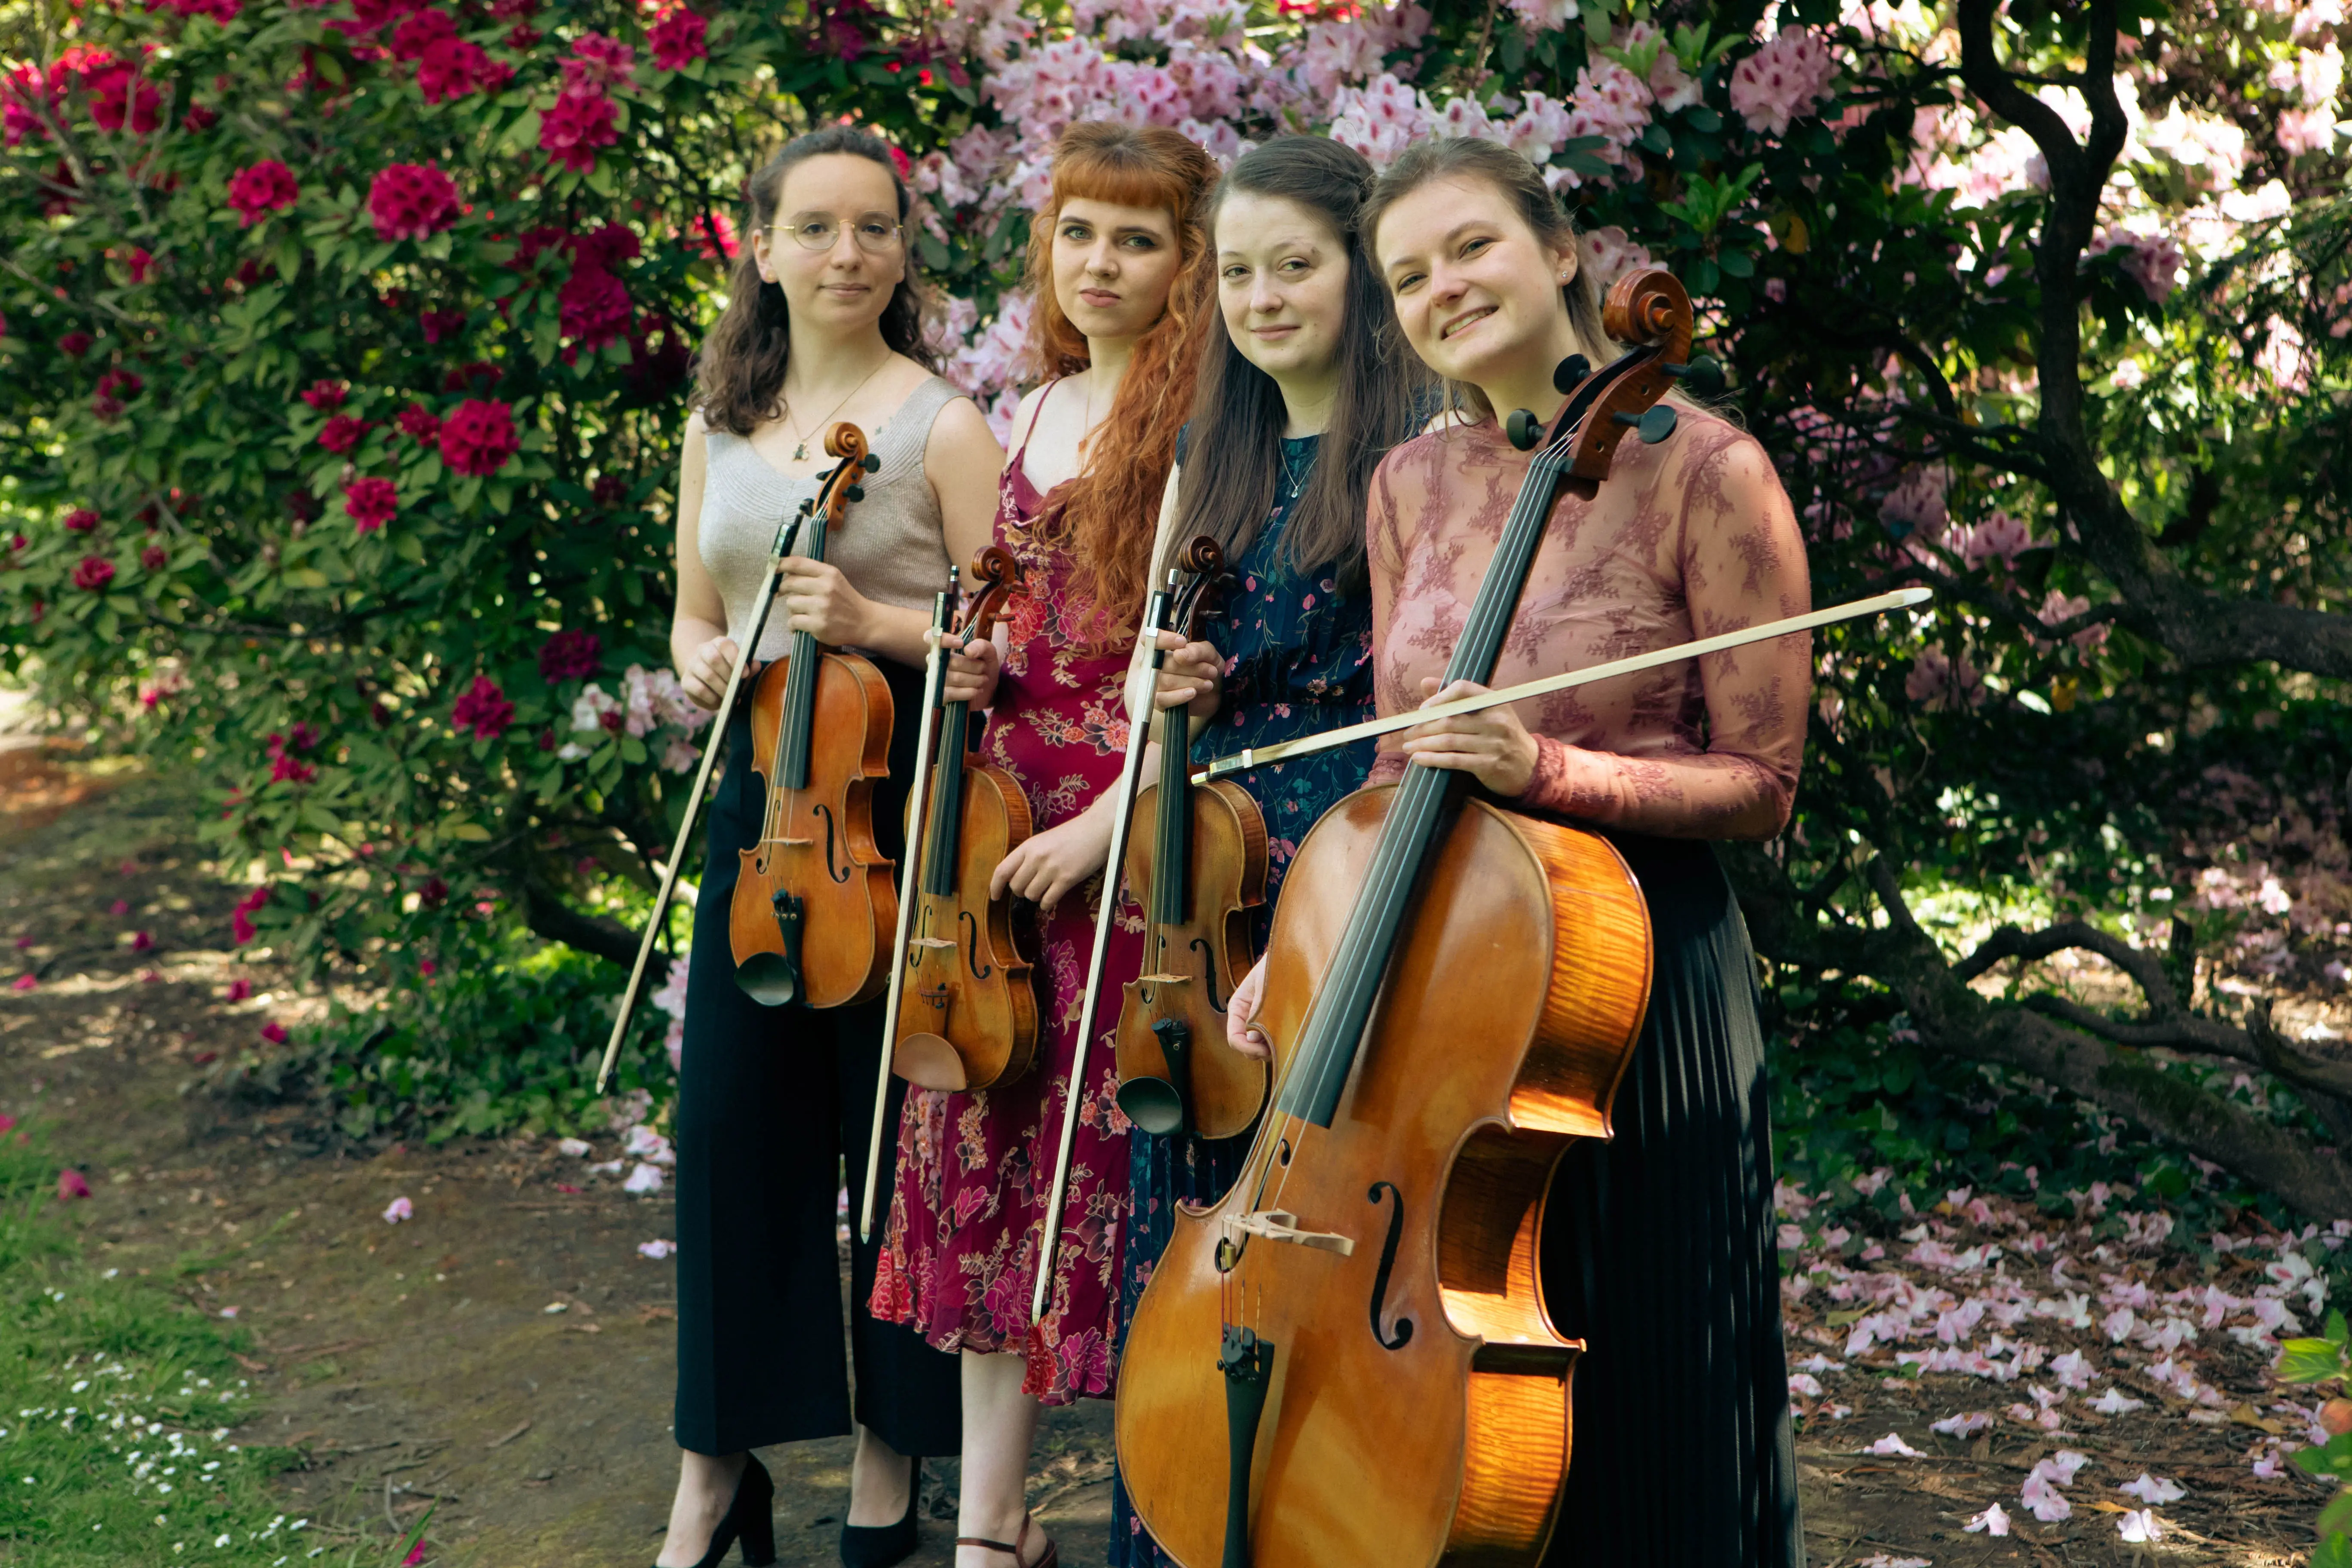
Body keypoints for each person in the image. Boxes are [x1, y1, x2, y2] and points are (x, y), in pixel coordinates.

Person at [1225, 135, 1811, 1565]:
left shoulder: (1707, 470)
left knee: (1653, 1387)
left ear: (1560, 251)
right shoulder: (1407, 485)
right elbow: (1390, 763)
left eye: (1472, 247)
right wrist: (1304, 958)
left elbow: (1764, 783)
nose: (1445, 288)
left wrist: (1547, 769)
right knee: (1476, 1390)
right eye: (1410, 274)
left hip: (1638, 981)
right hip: (1445, 977)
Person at [866, 121, 1218, 1568]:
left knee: (1096, 1178)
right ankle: (991, 1536)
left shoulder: (1205, 426)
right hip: (994, 838)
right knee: (981, 1153)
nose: (1102, 263)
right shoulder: (1029, 410)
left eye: (1136, 238)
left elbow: (1184, 660)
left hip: (1106, 838)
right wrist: (971, 661)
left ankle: (1158, 1517)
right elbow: (1018, 619)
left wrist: (1103, 824)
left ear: (1187, 261)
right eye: (1080, 233)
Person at [662, 124, 1003, 1568]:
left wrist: (875, 627)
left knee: (893, 1149)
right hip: (762, 813)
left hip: (902, 816)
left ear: (904, 248)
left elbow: (1010, 649)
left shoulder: (946, 425)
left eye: (874, 228)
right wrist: (695, 655)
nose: (847, 253)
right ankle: (715, 1474)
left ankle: (887, 1471)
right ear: (763, 244)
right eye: (817, 227)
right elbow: (693, 606)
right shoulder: (720, 420)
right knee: (732, 1144)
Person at [1106, 134, 1430, 1568]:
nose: (1261, 295)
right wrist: (1159, 686)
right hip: (1208, 878)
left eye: (1294, 265)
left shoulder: (1418, 455)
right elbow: (1140, 674)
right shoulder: (1209, 449)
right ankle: (1183, 1516)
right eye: (1237, 270)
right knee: (1196, 1212)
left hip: (1347, 867)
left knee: (1332, 1224)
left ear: (1360, 275)